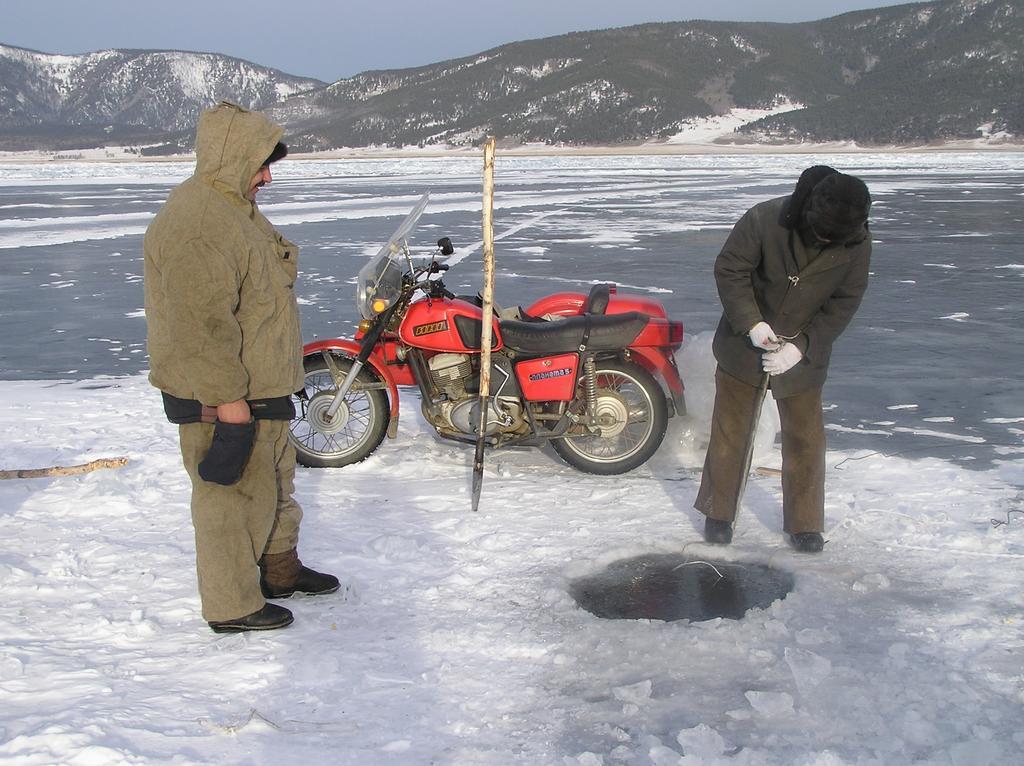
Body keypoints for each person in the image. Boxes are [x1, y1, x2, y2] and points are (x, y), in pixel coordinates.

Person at [144, 101, 338, 632]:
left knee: (274, 485)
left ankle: (278, 570)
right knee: (230, 500)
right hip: (225, 396)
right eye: (261, 164)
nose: (268, 177)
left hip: (261, 386)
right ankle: (232, 605)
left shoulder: (231, 206)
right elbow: (199, 327)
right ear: (234, 158)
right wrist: (226, 400)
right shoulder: (200, 223)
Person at [694, 165, 872, 553]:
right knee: (730, 432)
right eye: (821, 232)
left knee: (806, 439)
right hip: (743, 347)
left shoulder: (857, 243)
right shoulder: (764, 218)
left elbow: (845, 302)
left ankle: (805, 523)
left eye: (834, 237)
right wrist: (751, 323)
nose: (826, 240)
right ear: (808, 211)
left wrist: (802, 346)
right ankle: (718, 512)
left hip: (803, 356)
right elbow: (730, 269)